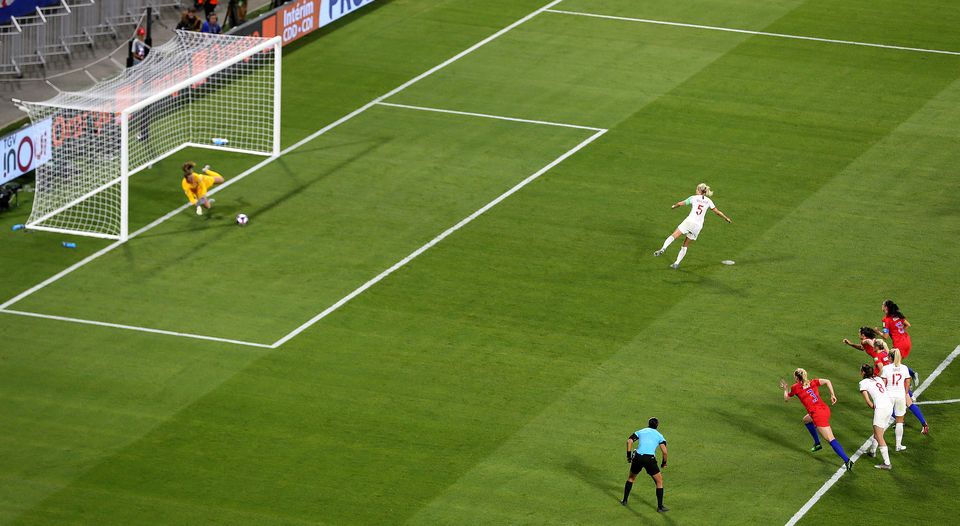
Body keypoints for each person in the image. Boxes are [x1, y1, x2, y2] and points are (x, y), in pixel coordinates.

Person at [780, 369, 853, 470]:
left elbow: (786, 399)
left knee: (831, 439)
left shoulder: (795, 387)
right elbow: (828, 381)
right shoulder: (812, 382)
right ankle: (817, 443)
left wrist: (785, 388)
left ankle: (847, 461)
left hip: (818, 415)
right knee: (806, 420)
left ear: (796, 378)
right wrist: (832, 395)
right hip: (824, 409)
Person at [653, 183, 731, 269]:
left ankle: (663, 248)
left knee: (674, 235)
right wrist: (726, 218)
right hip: (697, 226)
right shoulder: (709, 201)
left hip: (689, 222)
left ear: (699, 190)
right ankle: (676, 263)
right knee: (685, 245)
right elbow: (717, 212)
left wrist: (674, 206)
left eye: (696, 189)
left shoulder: (693, 198)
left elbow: (680, 203)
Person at [621, 417, 669, 513]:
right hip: (649, 459)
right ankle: (660, 507)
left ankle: (625, 501)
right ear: (657, 425)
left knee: (631, 478)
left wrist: (629, 456)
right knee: (659, 482)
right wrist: (664, 463)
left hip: (638, 457)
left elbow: (629, 441)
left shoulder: (641, 431)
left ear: (648, 423)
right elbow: (664, 452)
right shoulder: (659, 436)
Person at [881, 346, 925, 447]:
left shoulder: (886, 368)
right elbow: (908, 382)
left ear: (890, 358)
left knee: (881, 421)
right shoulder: (904, 368)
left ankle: (874, 448)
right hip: (901, 395)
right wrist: (906, 393)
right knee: (900, 421)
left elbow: (883, 384)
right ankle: (898, 445)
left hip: (889, 396)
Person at [858, 363, 893, 470]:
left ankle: (887, 463)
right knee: (878, 430)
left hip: (881, 408)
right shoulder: (878, 378)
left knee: (878, 435)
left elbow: (869, 402)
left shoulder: (863, 382)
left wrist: (876, 407)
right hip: (889, 406)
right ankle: (873, 451)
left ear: (863, 372)